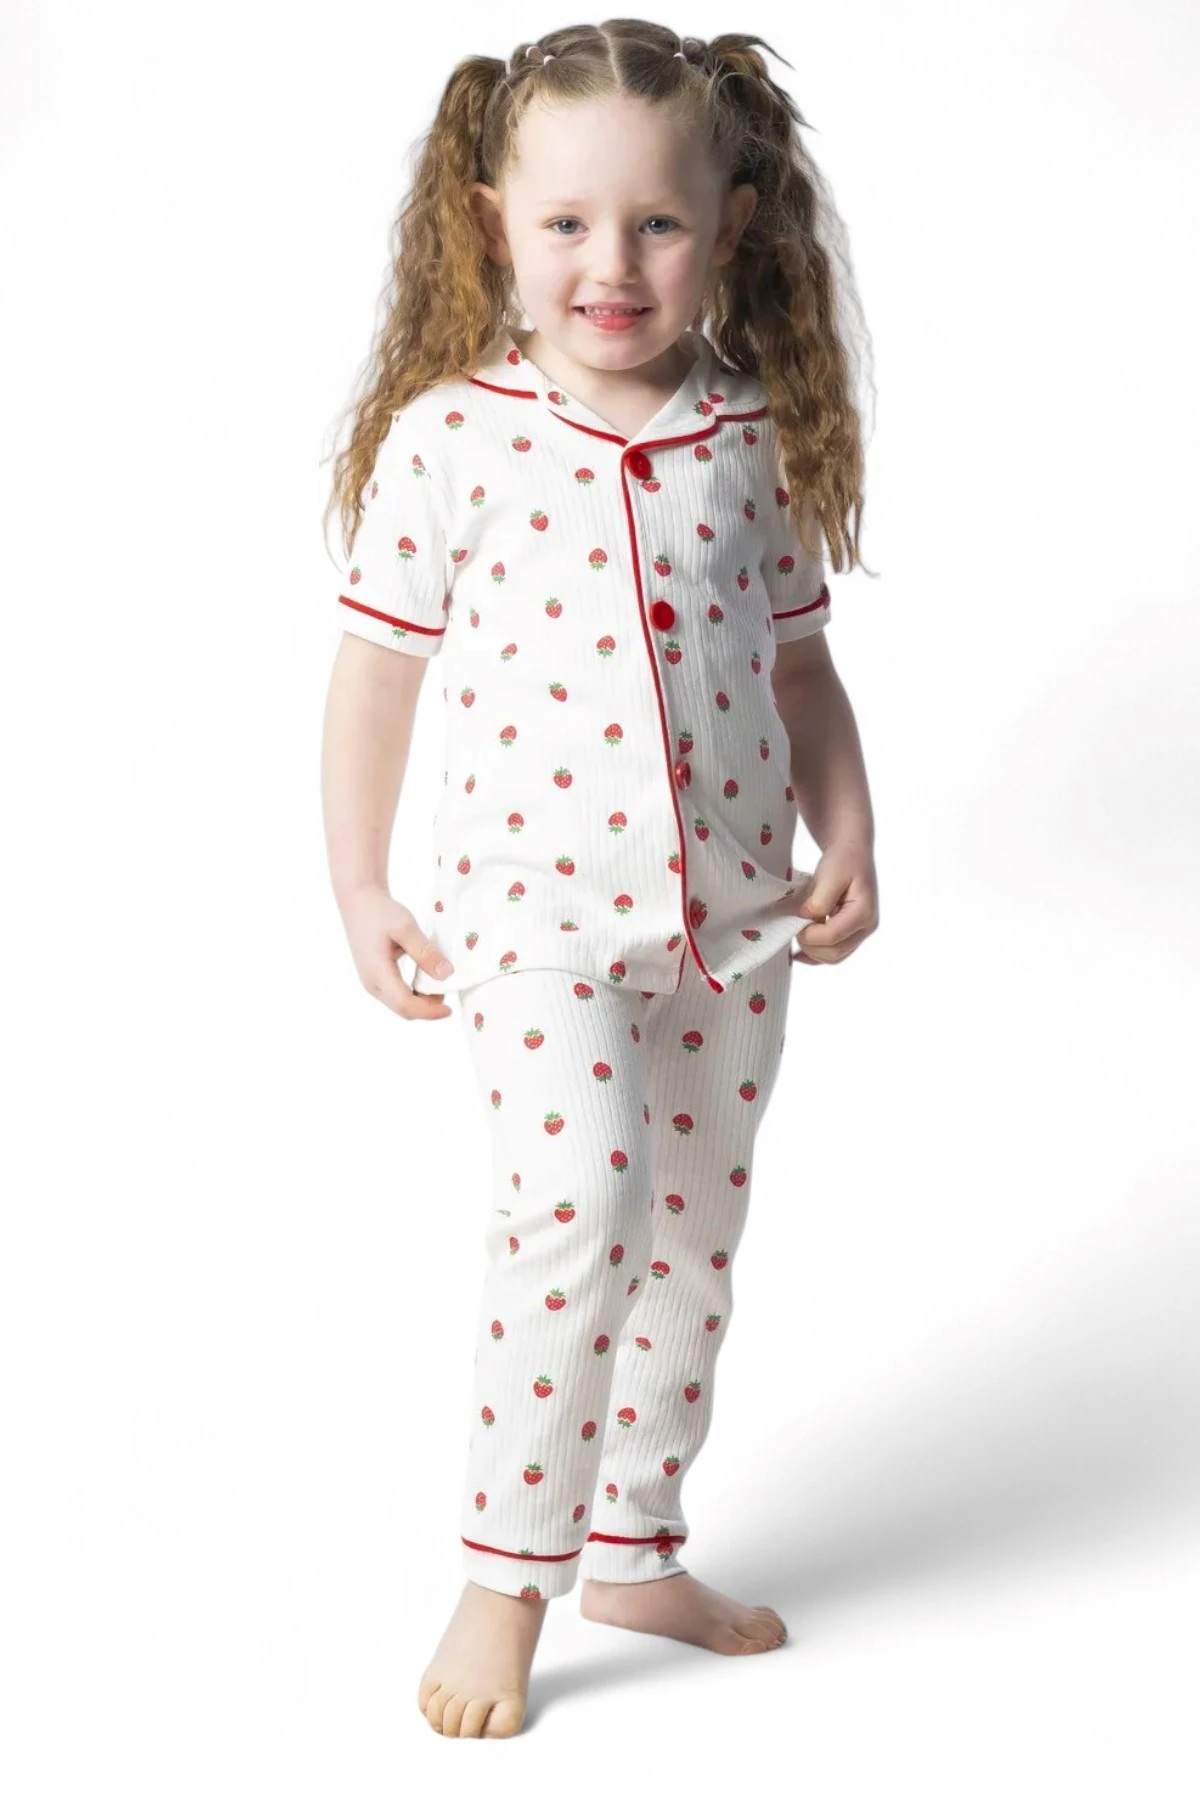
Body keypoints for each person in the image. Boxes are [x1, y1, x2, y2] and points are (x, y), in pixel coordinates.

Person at [321, 19, 879, 1739]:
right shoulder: (451, 438)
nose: (611, 265)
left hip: (736, 918)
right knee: (581, 1206)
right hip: (533, 915)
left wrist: (852, 835)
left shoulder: (751, 432)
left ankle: (633, 1544)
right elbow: (376, 677)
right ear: (495, 221)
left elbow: (801, 668)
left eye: (657, 223)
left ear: (732, 222)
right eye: (567, 223)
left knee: (694, 1234)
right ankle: (506, 1578)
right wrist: (362, 888)